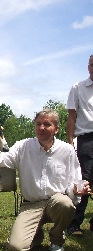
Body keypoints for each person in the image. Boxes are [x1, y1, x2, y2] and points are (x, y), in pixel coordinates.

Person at [0, 109, 90, 251]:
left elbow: (74, 181)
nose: (41, 128)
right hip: (30, 204)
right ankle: (35, 234)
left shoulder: (67, 150)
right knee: (16, 247)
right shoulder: (23, 146)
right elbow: (3, 160)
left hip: (56, 202)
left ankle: (57, 240)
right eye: (38, 124)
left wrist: (76, 190)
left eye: (47, 124)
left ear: (56, 129)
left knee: (65, 204)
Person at [66, 54, 93, 237]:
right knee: (85, 180)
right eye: (92, 64)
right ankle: (74, 224)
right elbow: (72, 116)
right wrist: (69, 141)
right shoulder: (78, 88)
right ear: (88, 66)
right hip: (86, 138)